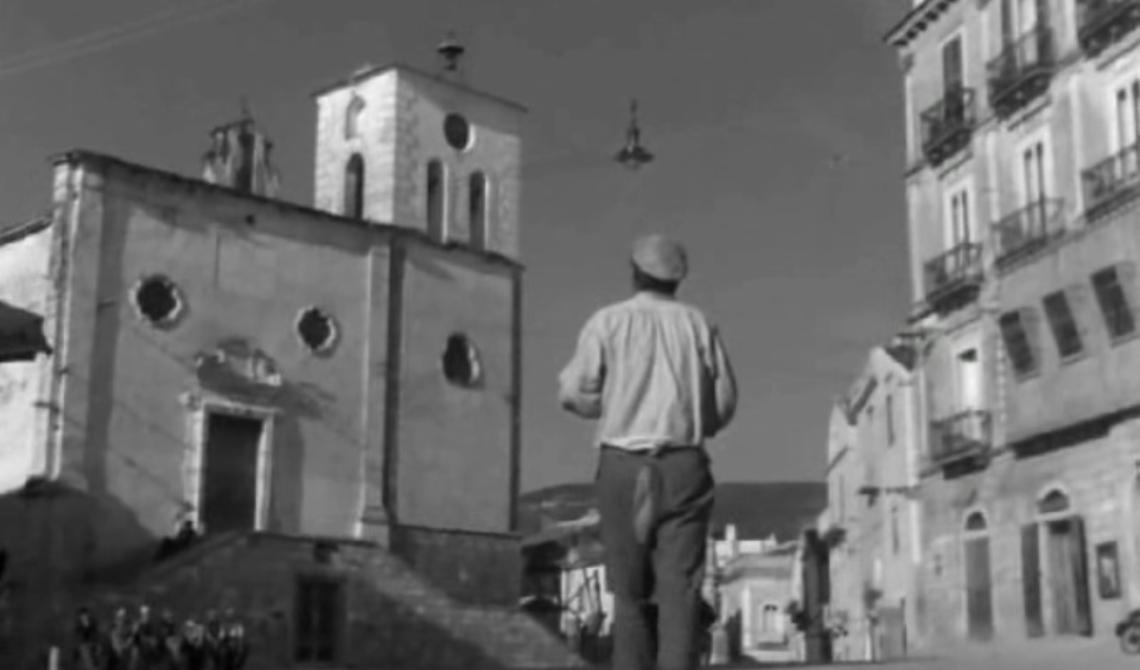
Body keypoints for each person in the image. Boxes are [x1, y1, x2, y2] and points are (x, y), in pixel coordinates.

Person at [558, 233, 738, 670]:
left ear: (635, 273)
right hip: (683, 465)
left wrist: (609, 405)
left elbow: (573, 392)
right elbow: (725, 400)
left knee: (629, 593)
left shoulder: (607, 322)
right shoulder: (699, 324)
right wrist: (699, 423)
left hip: (622, 463)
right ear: (678, 280)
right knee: (680, 591)